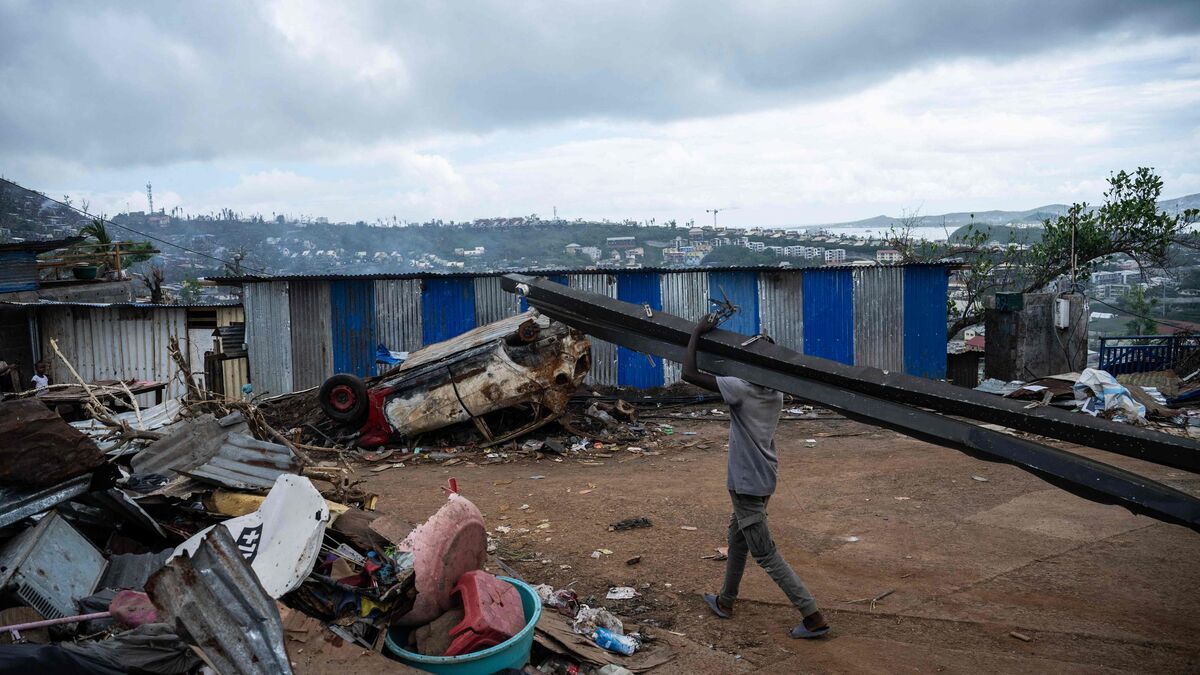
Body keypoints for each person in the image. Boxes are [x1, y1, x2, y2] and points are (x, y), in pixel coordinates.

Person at [682, 313, 830, 639]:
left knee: (765, 553)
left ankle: (812, 615)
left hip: (747, 483)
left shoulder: (740, 390)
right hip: (764, 479)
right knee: (737, 536)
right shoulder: (774, 394)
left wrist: (697, 332)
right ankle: (725, 600)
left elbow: (688, 373)